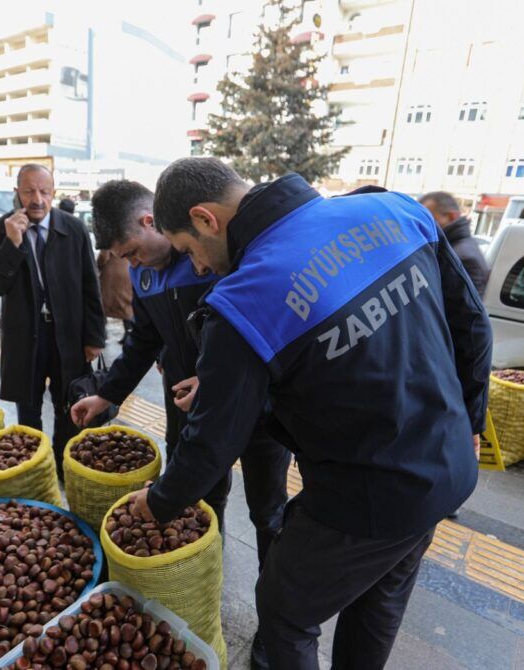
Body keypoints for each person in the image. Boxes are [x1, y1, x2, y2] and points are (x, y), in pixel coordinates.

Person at [127, 158, 492, 670]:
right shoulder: (393, 209)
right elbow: (471, 324)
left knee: (285, 613)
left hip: (366, 497)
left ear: (205, 218)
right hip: (448, 465)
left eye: (190, 250)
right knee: (378, 598)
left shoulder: (243, 299)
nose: (200, 268)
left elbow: (212, 443)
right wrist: (471, 421)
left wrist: (159, 501)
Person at [70, 180, 291, 567]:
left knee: (267, 508)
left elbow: (269, 327)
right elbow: (144, 339)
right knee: (201, 495)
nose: (133, 264)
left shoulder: (216, 253)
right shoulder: (143, 274)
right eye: (124, 258)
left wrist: (214, 381)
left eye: (133, 252)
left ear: (149, 221)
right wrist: (107, 394)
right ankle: (205, 568)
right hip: (184, 403)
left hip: (256, 403)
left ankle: (273, 591)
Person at [0, 164, 105, 477]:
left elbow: (91, 284)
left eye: (44, 192)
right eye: (29, 191)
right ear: (17, 193)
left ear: (54, 193)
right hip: (25, 337)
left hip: (68, 335)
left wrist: (94, 337)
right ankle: (36, 469)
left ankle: (64, 467)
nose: (37, 199)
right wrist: (12, 243)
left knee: (69, 405)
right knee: (28, 407)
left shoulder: (73, 229)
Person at [418, 191, 490, 295]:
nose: (424, 227)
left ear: (452, 216)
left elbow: (467, 304)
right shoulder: (454, 248)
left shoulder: (462, 257)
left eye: (429, 221)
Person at [96, 249, 134, 344]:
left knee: (102, 305)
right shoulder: (126, 240)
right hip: (126, 270)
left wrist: (97, 265)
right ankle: (129, 333)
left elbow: (104, 256)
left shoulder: (108, 241)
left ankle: (102, 335)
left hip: (112, 274)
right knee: (125, 303)